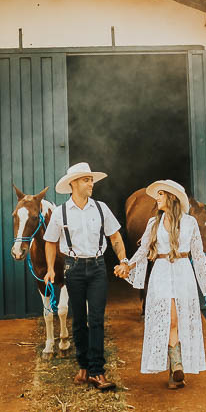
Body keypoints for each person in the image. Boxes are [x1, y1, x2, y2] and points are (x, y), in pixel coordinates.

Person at [114, 179, 206, 389]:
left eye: (161, 194)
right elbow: (143, 250)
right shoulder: (154, 223)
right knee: (170, 320)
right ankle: (177, 364)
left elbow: (198, 256)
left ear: (171, 197)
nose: (157, 198)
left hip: (183, 272)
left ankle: (175, 373)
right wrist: (127, 266)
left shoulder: (190, 223)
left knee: (179, 321)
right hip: (161, 272)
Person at [44, 162, 130, 391]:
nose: (91, 183)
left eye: (91, 179)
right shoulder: (61, 213)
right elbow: (50, 241)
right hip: (73, 269)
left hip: (98, 268)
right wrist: (51, 269)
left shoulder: (101, 209)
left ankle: (97, 371)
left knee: (97, 319)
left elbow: (116, 237)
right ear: (73, 184)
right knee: (79, 320)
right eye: (86, 180)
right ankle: (83, 366)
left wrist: (123, 260)